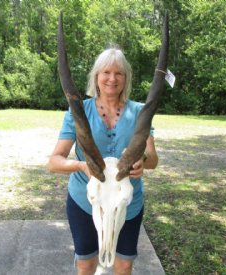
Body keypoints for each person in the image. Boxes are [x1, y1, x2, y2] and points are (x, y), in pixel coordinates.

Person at [48, 46, 158, 275]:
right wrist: (81, 165)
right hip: (85, 203)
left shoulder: (139, 112)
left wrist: (142, 160)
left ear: (126, 78)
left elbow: (153, 159)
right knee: (86, 264)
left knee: (124, 264)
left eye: (119, 73)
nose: (112, 78)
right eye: (106, 72)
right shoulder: (78, 111)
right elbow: (54, 161)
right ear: (96, 76)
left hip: (127, 204)